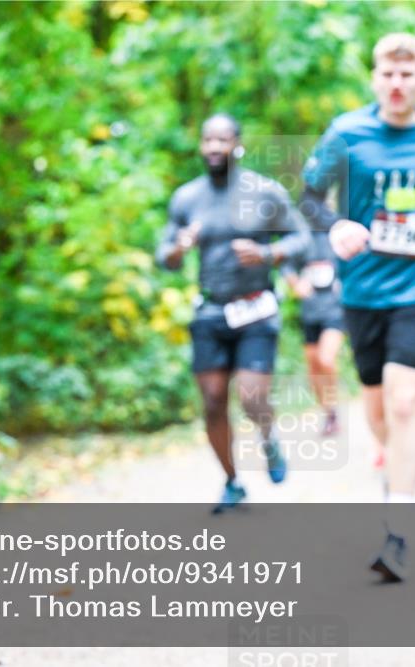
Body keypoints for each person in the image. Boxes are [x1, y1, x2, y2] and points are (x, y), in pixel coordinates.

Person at [300, 33, 415, 581]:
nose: (397, 83)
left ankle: (398, 529)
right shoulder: (347, 132)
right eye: (388, 74)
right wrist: (336, 225)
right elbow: (308, 196)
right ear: (375, 78)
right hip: (362, 292)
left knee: (405, 403)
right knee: (378, 412)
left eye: (408, 74)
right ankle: (399, 471)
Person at [157, 113, 311, 514]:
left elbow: (302, 238)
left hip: (255, 309)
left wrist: (267, 253)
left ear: (237, 144)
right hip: (210, 310)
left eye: (222, 140)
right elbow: (165, 256)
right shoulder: (187, 198)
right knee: (212, 401)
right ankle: (232, 481)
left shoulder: (265, 192)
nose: (214, 147)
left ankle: (268, 437)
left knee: (251, 395)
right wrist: (179, 248)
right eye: (207, 140)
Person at [282, 225, 345, 437]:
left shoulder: (339, 233)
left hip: (335, 311)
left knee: (326, 359)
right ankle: (328, 412)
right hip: (310, 312)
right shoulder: (301, 238)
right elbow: (286, 266)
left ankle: (334, 409)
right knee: (314, 364)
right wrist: (295, 283)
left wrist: (346, 283)